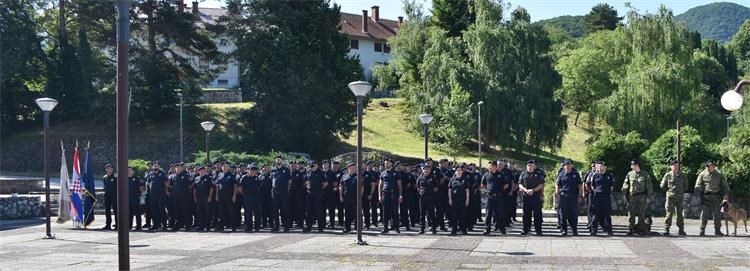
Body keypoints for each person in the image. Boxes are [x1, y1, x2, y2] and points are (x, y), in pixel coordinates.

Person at [694, 160, 730, 236]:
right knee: (704, 213)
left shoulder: (719, 174)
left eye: (711, 166)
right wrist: (698, 196)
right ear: (706, 167)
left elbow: (725, 186)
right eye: (708, 167)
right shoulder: (702, 174)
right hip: (706, 197)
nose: (710, 168)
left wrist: (725, 196)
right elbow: (697, 186)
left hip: (716, 196)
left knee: (717, 214)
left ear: (714, 166)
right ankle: (702, 229)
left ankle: (717, 230)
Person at [622, 159, 653, 236]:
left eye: (633, 165)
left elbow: (649, 186)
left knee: (641, 214)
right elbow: (625, 185)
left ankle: (640, 229)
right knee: (631, 214)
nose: (631, 166)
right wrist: (625, 195)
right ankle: (631, 228)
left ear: (637, 165)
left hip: (642, 196)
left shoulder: (645, 174)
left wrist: (648, 197)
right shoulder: (629, 174)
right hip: (632, 197)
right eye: (631, 165)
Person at [555, 159, 583, 236]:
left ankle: (574, 229)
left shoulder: (576, 174)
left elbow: (580, 186)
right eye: (566, 165)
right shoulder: (561, 174)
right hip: (564, 196)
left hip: (574, 196)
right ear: (564, 166)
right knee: (563, 214)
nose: (568, 166)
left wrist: (580, 196)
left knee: (574, 214)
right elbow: (557, 185)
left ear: (572, 166)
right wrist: (557, 195)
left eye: (570, 165)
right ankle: (564, 230)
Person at [660, 159, 687, 236]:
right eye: (674, 166)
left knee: (680, 214)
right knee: (669, 213)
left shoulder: (682, 175)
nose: (676, 167)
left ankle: (681, 229)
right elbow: (662, 185)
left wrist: (680, 192)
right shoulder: (667, 175)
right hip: (670, 197)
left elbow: (686, 186)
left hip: (680, 197)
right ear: (671, 166)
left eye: (677, 166)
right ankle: (666, 229)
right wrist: (669, 191)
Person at [519, 159, 545, 235]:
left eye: (531, 166)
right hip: (526, 197)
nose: (530, 167)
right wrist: (526, 190)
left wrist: (533, 190)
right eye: (528, 165)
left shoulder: (539, 173)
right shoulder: (523, 174)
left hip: (536, 196)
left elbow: (541, 184)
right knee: (526, 214)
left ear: (534, 166)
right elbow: (520, 184)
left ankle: (538, 230)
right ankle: (525, 229)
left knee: (537, 214)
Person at [482, 161, 508, 235]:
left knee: (500, 214)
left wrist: (500, 190)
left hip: (498, 197)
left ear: (495, 167)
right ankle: (487, 229)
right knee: (488, 214)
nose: (491, 167)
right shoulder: (486, 175)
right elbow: (483, 184)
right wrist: (487, 190)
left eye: (493, 166)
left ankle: (502, 229)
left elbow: (506, 184)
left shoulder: (501, 174)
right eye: (490, 166)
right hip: (490, 197)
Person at [590, 161, 614, 236]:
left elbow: (611, 186)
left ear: (605, 167)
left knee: (607, 214)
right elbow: (592, 185)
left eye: (601, 166)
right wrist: (596, 192)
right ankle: (594, 230)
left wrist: (607, 192)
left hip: (606, 196)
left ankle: (609, 230)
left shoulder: (610, 175)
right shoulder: (595, 175)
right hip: (597, 197)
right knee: (595, 214)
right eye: (599, 166)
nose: (600, 168)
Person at [379, 159, 402, 233]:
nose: (386, 165)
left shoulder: (396, 173)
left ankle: (397, 228)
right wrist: (379, 195)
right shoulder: (383, 173)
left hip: (394, 194)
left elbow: (399, 185)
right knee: (385, 212)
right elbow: (380, 185)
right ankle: (385, 228)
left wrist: (400, 195)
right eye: (385, 163)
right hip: (385, 193)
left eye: (387, 163)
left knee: (395, 211)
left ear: (391, 164)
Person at [304, 161, 327, 232]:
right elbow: (305, 181)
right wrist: (307, 186)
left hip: (318, 194)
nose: (312, 168)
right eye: (311, 167)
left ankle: (320, 227)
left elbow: (326, 183)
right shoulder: (308, 172)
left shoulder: (322, 173)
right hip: (309, 194)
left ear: (316, 165)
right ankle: (308, 226)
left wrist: (320, 189)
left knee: (319, 211)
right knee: (309, 211)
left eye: (313, 166)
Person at [169, 163, 192, 231]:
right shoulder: (173, 176)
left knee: (185, 211)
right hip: (175, 197)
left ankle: (187, 226)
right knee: (177, 212)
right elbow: (171, 186)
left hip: (184, 196)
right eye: (176, 168)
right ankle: (178, 225)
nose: (178, 169)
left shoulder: (186, 175)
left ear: (182, 168)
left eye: (179, 167)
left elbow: (190, 186)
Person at [448, 163, 470, 235]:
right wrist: (450, 199)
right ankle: (454, 230)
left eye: (460, 170)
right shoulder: (452, 179)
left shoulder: (465, 179)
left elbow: (467, 190)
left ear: (462, 171)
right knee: (454, 216)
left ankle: (464, 230)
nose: (458, 171)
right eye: (457, 170)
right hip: (454, 200)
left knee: (462, 216)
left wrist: (467, 199)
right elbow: (449, 190)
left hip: (462, 200)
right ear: (455, 171)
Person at [271, 156, 292, 232]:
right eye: (276, 160)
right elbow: (272, 179)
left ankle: (286, 227)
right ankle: (276, 226)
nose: (277, 161)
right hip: (275, 192)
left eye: (279, 160)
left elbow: (290, 180)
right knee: (275, 210)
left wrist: (287, 189)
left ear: (282, 161)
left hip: (284, 192)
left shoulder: (286, 169)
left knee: (285, 210)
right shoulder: (273, 169)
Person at [216, 162, 238, 232]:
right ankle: (221, 226)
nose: (224, 167)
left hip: (229, 196)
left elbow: (235, 185)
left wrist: (234, 195)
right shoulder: (219, 174)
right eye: (223, 166)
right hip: (221, 196)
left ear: (229, 167)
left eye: (226, 166)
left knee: (231, 211)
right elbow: (217, 185)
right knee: (221, 212)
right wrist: (216, 195)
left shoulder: (231, 175)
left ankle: (233, 227)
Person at [146, 161, 168, 231]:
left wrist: (166, 192)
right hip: (153, 195)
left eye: (156, 165)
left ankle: (164, 225)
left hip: (161, 195)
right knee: (153, 211)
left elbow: (166, 183)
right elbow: (148, 183)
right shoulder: (150, 174)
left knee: (161, 210)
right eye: (154, 166)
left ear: (159, 166)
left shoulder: (162, 173)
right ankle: (155, 225)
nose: (155, 167)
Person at [239, 164, 262, 232]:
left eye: (254, 170)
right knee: (248, 214)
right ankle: (248, 227)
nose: (253, 172)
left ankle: (257, 227)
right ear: (248, 170)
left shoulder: (257, 178)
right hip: (247, 198)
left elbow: (259, 188)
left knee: (257, 213)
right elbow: (240, 188)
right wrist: (245, 196)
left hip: (256, 198)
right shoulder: (244, 177)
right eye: (251, 170)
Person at [417, 164, 438, 234]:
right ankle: (422, 229)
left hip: (430, 198)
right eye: (424, 169)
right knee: (422, 214)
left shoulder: (433, 177)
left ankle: (434, 228)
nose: (425, 170)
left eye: (427, 169)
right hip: (422, 198)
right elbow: (418, 188)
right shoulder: (420, 178)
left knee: (431, 214)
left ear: (430, 170)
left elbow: (436, 188)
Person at [193, 166, 214, 231]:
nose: (202, 172)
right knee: (200, 212)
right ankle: (201, 226)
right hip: (199, 198)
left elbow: (211, 188)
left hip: (206, 197)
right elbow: (194, 189)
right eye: (201, 171)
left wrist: (210, 197)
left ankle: (208, 226)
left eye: (203, 171)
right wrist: (194, 197)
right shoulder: (196, 178)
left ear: (205, 171)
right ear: (199, 172)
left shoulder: (209, 178)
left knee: (207, 212)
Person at [339, 163, 358, 233]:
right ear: (348, 168)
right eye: (352, 168)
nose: (353, 169)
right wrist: (341, 196)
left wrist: (360, 196)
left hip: (355, 197)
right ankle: (347, 227)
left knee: (356, 213)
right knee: (347, 213)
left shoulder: (358, 176)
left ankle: (357, 228)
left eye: (354, 168)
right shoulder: (344, 176)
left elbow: (362, 187)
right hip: (346, 197)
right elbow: (341, 186)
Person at [290, 161, 306, 229]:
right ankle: (289, 223)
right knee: (290, 209)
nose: (293, 166)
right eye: (291, 165)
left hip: (298, 194)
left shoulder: (299, 173)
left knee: (299, 209)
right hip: (290, 194)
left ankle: (300, 223)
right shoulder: (288, 173)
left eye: (294, 164)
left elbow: (303, 183)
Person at [397, 162, 413, 231]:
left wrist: (404, 190)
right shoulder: (395, 173)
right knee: (395, 210)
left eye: (400, 166)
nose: (399, 167)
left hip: (404, 193)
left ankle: (406, 224)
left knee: (404, 209)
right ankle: (396, 224)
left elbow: (409, 183)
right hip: (395, 193)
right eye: (398, 166)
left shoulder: (405, 174)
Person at [102, 164, 118, 230]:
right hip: (107, 196)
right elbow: (105, 186)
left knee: (116, 210)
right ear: (106, 169)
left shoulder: (115, 176)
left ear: (112, 169)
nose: (109, 170)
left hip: (114, 196)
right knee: (107, 211)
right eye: (107, 168)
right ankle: (108, 224)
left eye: (110, 168)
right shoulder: (104, 177)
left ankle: (118, 224)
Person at [322, 160, 337, 229]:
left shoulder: (332, 173)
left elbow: (335, 183)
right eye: (323, 164)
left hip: (330, 193)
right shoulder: (320, 173)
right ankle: (323, 223)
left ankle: (332, 223)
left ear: (328, 165)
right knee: (322, 209)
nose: (325, 165)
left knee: (331, 209)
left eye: (326, 164)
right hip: (322, 193)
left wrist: (332, 188)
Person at [362, 161, 377, 229]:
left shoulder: (369, 174)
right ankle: (359, 224)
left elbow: (373, 184)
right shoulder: (357, 174)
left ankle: (367, 224)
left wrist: (371, 194)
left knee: (366, 210)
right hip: (357, 196)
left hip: (367, 195)